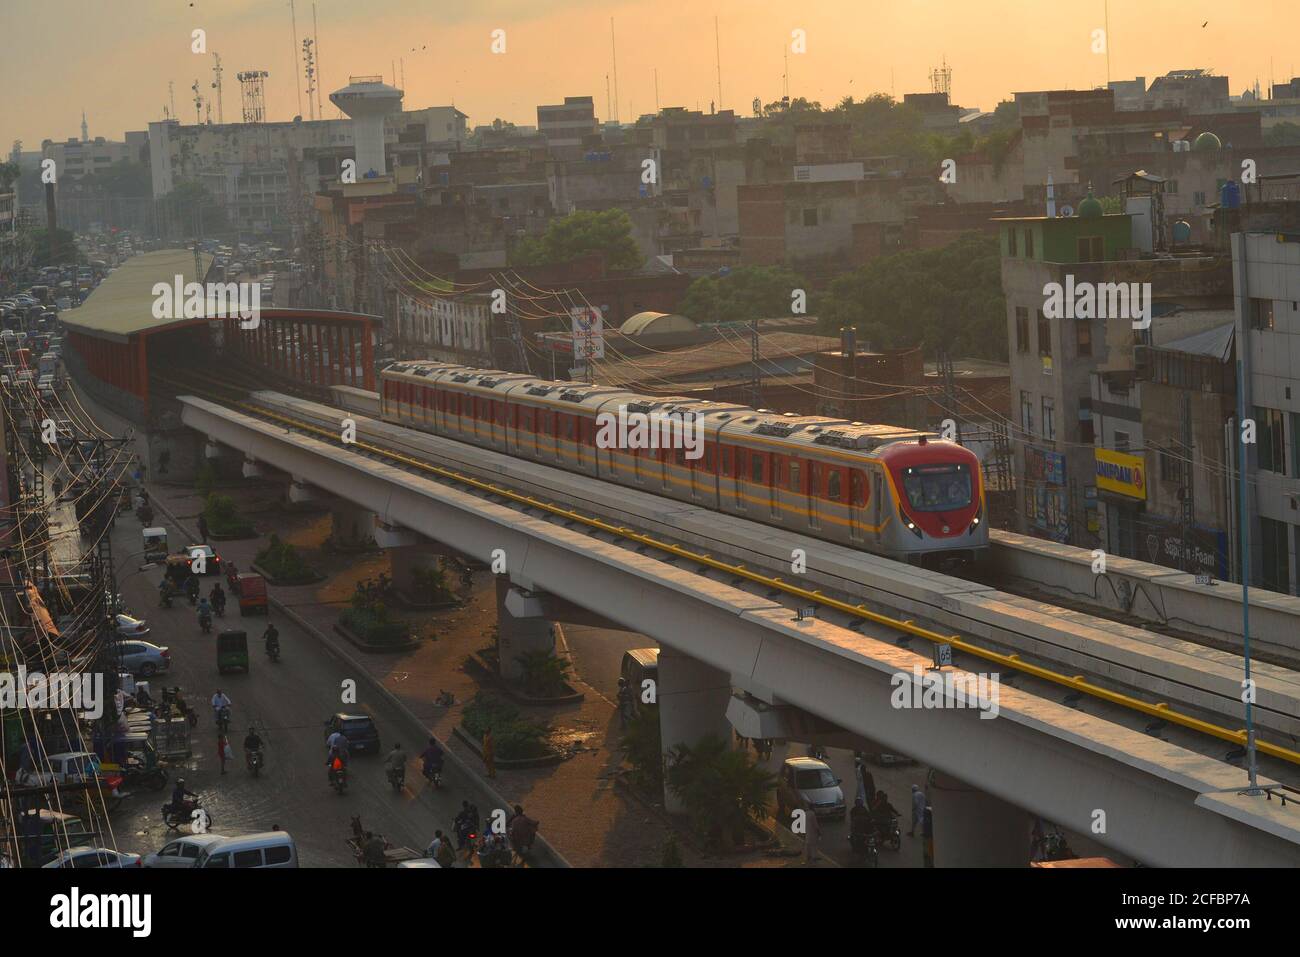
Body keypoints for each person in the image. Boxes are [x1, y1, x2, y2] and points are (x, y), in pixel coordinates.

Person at [802, 799, 821, 866]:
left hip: (807, 831)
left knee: (807, 844)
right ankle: (814, 858)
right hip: (813, 832)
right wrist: (819, 832)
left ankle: (808, 856)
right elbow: (815, 824)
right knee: (814, 845)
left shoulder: (805, 813)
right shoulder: (812, 814)